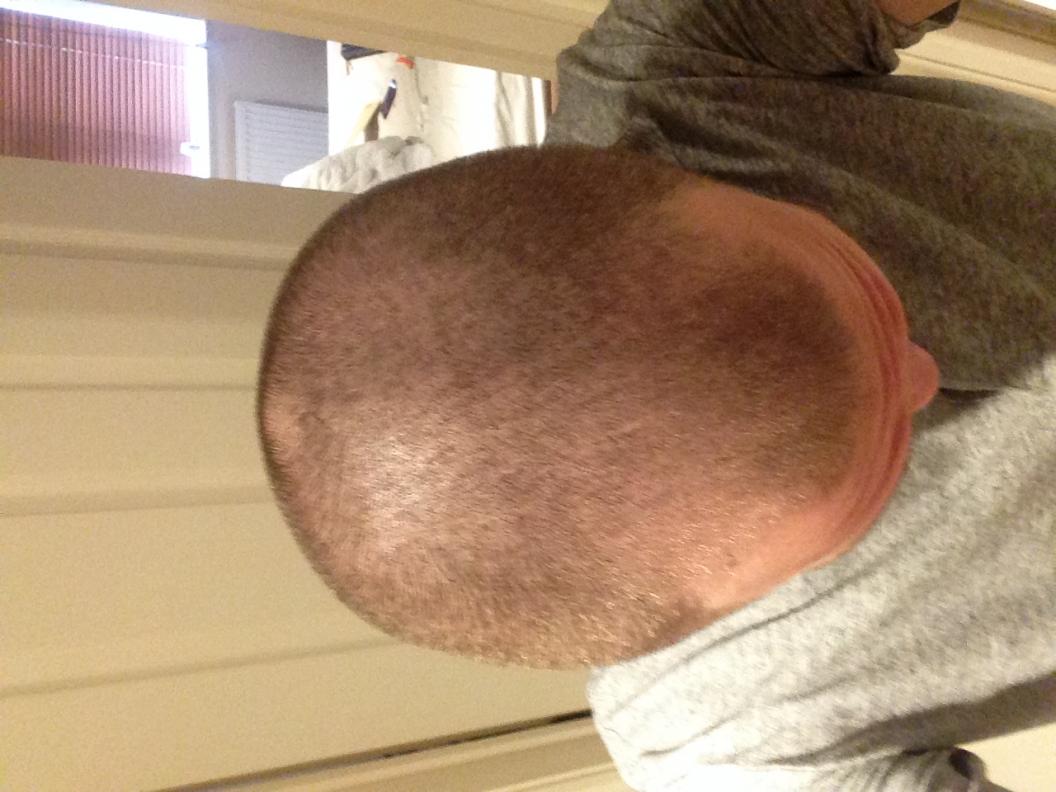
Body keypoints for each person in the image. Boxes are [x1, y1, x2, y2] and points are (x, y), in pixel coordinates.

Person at [256, 0, 1055, 789]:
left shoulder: (675, 81)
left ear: (653, 167)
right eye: (877, 474)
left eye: (866, 283)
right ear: (722, 605)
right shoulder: (716, 742)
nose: (924, 376)